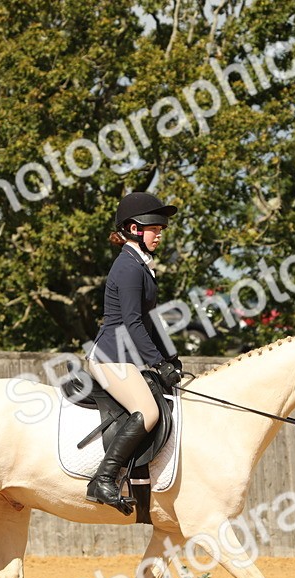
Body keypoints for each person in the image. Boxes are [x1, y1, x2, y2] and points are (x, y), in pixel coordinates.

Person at [85, 191, 185, 514]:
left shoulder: (141, 266)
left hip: (124, 357)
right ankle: (103, 479)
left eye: (160, 228)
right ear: (133, 229)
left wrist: (170, 357)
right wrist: (156, 362)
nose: (159, 233)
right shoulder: (128, 268)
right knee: (149, 411)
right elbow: (131, 323)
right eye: (154, 228)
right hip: (109, 357)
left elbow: (150, 320)